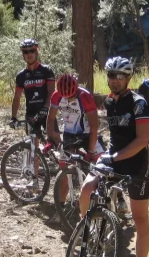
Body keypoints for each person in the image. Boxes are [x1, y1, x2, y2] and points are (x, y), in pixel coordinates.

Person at [78, 57, 149, 257]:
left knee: (140, 218)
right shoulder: (109, 101)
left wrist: (114, 157)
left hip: (137, 164)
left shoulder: (139, 103)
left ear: (128, 78)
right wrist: (101, 153)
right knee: (87, 189)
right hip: (114, 159)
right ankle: (89, 231)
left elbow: (143, 140)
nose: (115, 80)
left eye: (120, 76)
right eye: (111, 75)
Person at [45, 72, 105, 202]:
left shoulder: (85, 96)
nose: (68, 99)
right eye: (65, 97)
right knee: (64, 172)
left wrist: (90, 151)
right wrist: (50, 139)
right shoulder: (56, 96)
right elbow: (50, 119)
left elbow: (94, 126)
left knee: (104, 164)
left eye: (71, 96)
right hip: (69, 135)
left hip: (87, 134)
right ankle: (61, 206)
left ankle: (118, 198)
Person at [9, 38, 56, 190]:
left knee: (57, 143)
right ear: (23, 54)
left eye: (32, 51)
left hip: (48, 113)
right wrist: (13, 117)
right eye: (26, 51)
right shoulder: (21, 76)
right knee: (33, 148)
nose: (29, 54)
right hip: (31, 115)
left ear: (37, 51)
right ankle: (35, 180)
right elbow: (17, 98)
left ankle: (67, 174)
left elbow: (52, 93)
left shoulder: (46, 71)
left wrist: (46, 108)